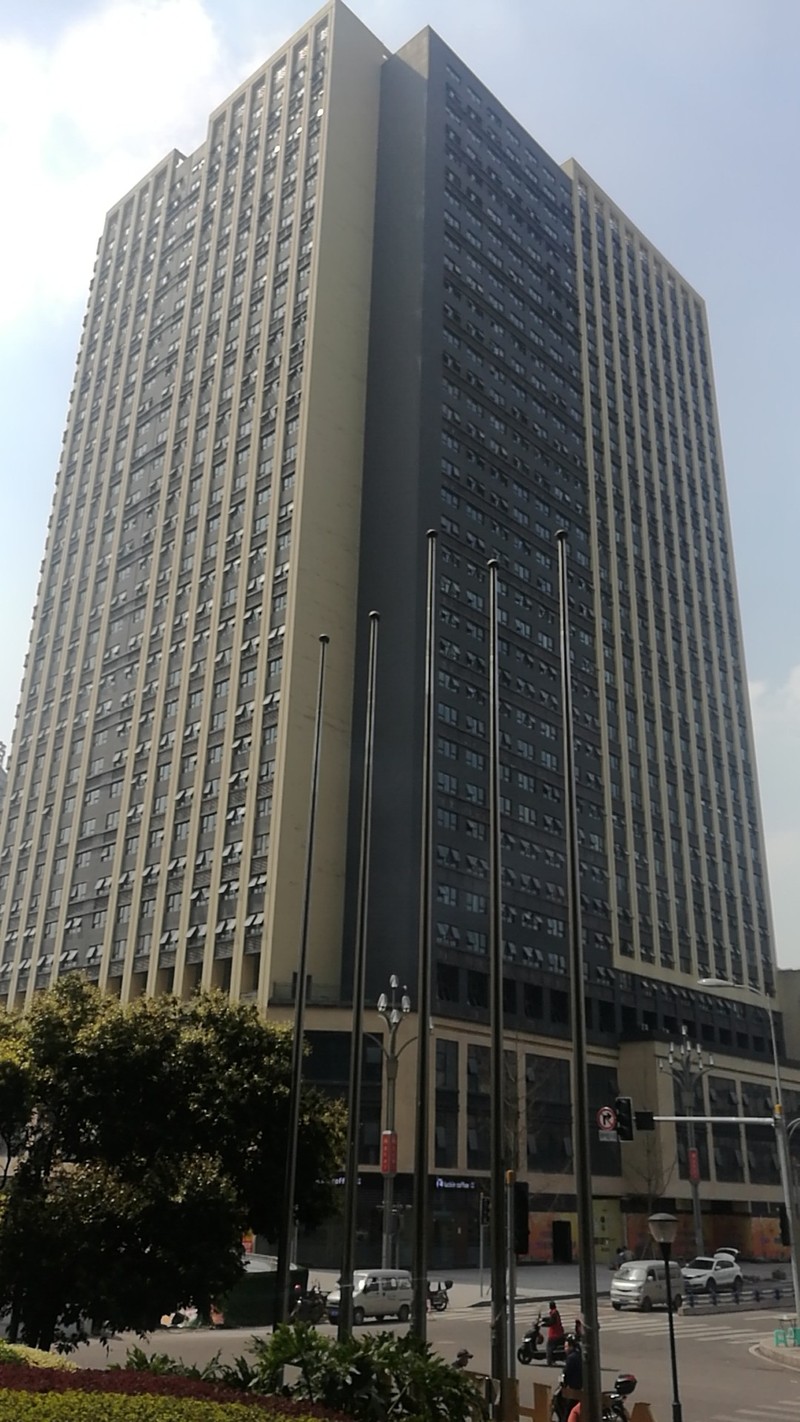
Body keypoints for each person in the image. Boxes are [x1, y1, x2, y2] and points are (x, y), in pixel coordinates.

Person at [544, 1299, 565, 1365]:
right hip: (559, 1332)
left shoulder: (553, 1313)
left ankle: (549, 1361)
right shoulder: (555, 1312)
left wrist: (543, 1324)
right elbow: (550, 1319)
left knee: (549, 1347)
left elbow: (551, 1322)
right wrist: (543, 1319)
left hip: (555, 1334)